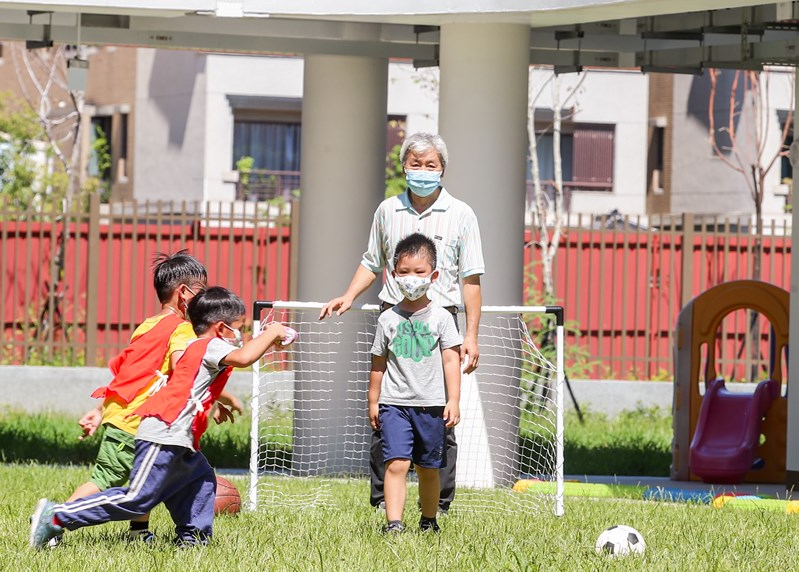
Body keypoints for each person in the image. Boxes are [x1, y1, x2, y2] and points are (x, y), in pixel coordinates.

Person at [29, 287, 294, 549]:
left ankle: (194, 541)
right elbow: (245, 357)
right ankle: (56, 516)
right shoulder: (210, 345)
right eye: (240, 328)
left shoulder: (203, 345)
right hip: (163, 433)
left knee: (201, 483)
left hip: (182, 439)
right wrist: (272, 332)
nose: (242, 336)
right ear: (222, 328)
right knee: (138, 498)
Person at [320, 132, 484, 513]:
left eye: (431, 165)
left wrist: (470, 336)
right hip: (393, 316)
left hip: (442, 321)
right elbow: (371, 261)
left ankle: (439, 506)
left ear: (443, 169)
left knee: (443, 413)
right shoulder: (386, 210)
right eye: (415, 163)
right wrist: (348, 295)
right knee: (387, 411)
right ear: (403, 166)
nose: (423, 171)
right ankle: (382, 503)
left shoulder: (462, 214)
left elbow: (472, 279)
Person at [63, 250, 209, 544]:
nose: (205, 301)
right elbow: (186, 367)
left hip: (123, 415)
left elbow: (133, 376)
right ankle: (55, 518)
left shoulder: (149, 325)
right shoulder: (182, 331)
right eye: (201, 293)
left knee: (145, 478)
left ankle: (138, 532)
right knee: (107, 480)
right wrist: (217, 393)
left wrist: (101, 409)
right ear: (184, 293)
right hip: (137, 422)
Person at [368, 233, 461, 534]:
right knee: (396, 464)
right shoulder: (387, 320)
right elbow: (378, 363)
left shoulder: (442, 318)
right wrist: (374, 401)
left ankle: (429, 520)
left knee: (429, 468)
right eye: (405, 272)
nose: (412, 279)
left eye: (419, 272)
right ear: (394, 275)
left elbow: (451, 361)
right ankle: (394, 523)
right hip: (395, 405)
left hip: (432, 407)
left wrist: (454, 400)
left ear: (433, 275)